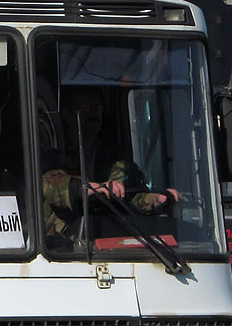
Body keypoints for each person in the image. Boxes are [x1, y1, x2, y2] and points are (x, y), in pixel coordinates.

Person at [42, 87, 179, 245]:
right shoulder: (53, 153)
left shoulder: (115, 158)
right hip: (61, 248)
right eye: (86, 108)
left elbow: (132, 196)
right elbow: (52, 187)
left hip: (109, 242)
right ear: (67, 114)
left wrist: (156, 199)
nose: (93, 114)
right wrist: (91, 189)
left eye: (97, 108)